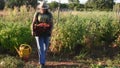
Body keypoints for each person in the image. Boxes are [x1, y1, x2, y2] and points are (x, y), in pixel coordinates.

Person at [31, 1, 53, 67]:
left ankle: (43, 59)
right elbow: (33, 22)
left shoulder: (49, 14)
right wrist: (32, 30)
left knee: (46, 48)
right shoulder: (37, 13)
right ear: (40, 8)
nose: (43, 9)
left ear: (46, 8)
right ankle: (42, 63)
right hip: (39, 31)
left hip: (46, 32)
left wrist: (51, 30)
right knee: (40, 48)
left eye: (44, 8)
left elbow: (51, 23)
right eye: (42, 8)